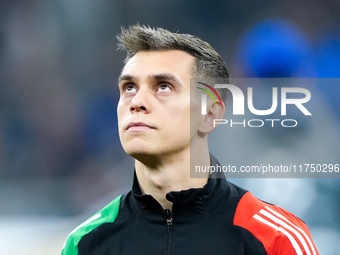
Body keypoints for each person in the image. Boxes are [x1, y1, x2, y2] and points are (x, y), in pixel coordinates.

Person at [61, 24, 319, 255]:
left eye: (163, 86)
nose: (137, 102)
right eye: (129, 87)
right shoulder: (84, 242)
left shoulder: (278, 240)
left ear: (209, 114)